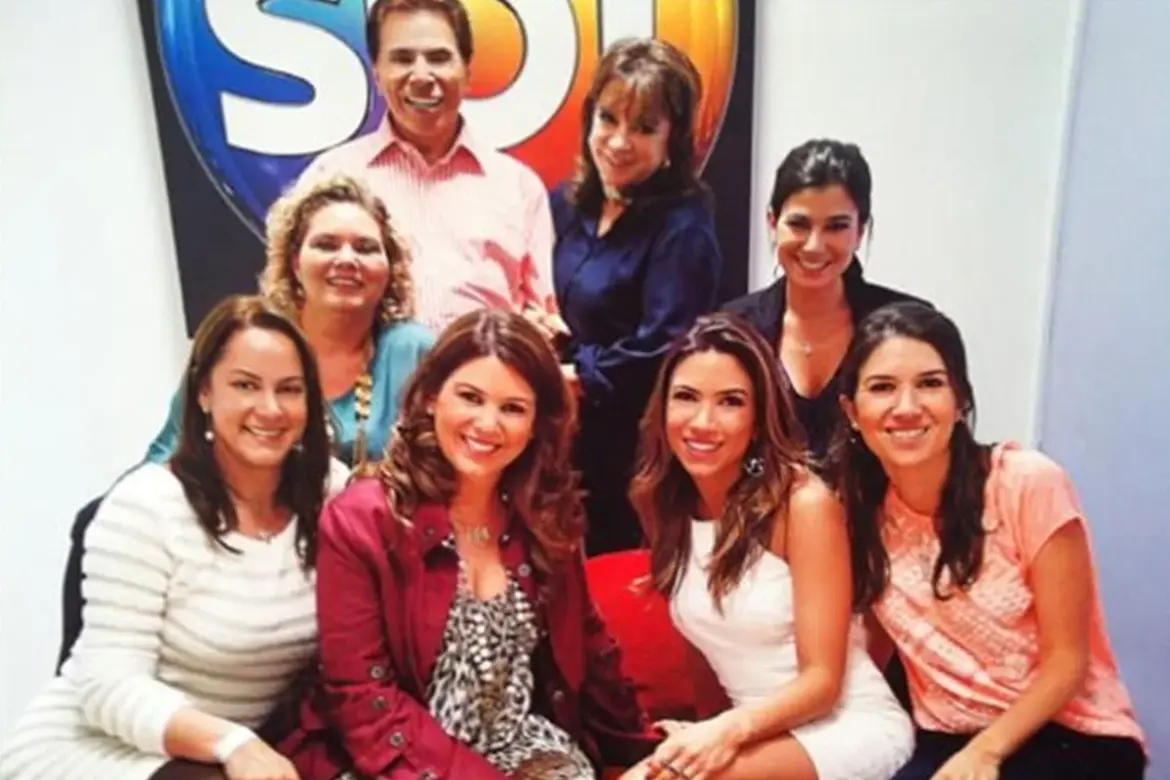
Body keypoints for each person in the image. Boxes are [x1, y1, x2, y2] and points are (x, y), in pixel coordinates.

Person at [276, 309, 658, 779]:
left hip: (525, 748)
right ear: (432, 397)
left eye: (513, 408)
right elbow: (363, 698)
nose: (487, 424)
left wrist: (649, 750)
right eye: (470, 397)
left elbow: (591, 650)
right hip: (393, 758)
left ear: (537, 423)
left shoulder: (543, 515)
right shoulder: (360, 521)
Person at [0, 296, 344, 780]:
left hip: (231, 755)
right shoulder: (145, 505)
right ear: (203, 392)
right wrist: (233, 742)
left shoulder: (333, 494)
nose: (270, 409)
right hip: (95, 747)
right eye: (245, 385)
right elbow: (107, 685)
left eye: (289, 389)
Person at [832, 301, 1147, 780]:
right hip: (945, 733)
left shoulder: (1026, 483)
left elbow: (1068, 662)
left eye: (930, 384)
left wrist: (986, 753)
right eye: (882, 388)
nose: (907, 407)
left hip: (1068, 731)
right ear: (852, 412)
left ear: (960, 400)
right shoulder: (858, 511)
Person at [625, 313, 913, 780]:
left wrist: (726, 731)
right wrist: (705, 732)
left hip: (846, 727)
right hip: (755, 735)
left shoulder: (803, 505)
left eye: (730, 401)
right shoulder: (669, 507)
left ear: (758, 419)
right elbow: (705, 646)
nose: (703, 421)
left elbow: (823, 682)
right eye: (686, 397)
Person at [548, 38, 723, 555]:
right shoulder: (568, 204)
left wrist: (579, 373)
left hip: (631, 452)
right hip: (559, 438)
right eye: (608, 119)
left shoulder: (684, 226)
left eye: (644, 128)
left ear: (673, 140)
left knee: (615, 577)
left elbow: (666, 348)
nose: (619, 141)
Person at [297, 0, 557, 333]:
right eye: (402, 59)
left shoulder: (519, 189)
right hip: (365, 367)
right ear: (376, 74)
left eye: (438, 58)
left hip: (483, 366)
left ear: (467, 72)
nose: (421, 76)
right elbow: (294, 303)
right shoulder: (329, 177)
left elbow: (542, 316)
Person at [146, 173, 433, 470]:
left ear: (390, 266)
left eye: (365, 248)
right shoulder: (243, 343)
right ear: (295, 262)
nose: (347, 260)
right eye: (327, 244)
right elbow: (165, 458)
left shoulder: (414, 353)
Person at [723, 139, 928, 468]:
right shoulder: (735, 327)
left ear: (860, 231)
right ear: (772, 223)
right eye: (799, 224)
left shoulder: (910, 328)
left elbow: (938, 442)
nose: (814, 246)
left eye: (836, 226)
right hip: (763, 502)